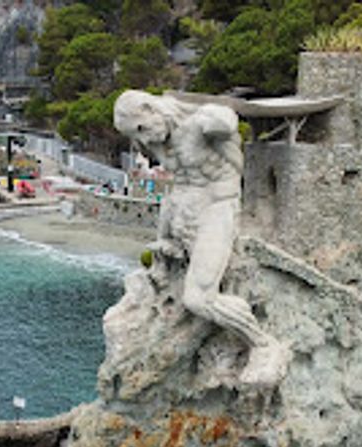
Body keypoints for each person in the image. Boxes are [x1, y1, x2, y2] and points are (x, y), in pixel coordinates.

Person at [113, 90, 289, 386]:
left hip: (215, 209)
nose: (145, 140)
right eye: (135, 135)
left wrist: (218, 117)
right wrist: (163, 236)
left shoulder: (201, 122)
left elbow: (226, 122)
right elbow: (175, 186)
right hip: (180, 213)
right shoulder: (158, 139)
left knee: (198, 298)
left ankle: (264, 345)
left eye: (141, 128)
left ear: (150, 107)